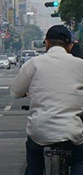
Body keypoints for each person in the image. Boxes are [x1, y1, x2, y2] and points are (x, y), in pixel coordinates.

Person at [10, 25, 83, 175]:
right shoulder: (80, 65)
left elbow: (15, 92)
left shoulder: (33, 64)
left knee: (34, 155)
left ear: (47, 43)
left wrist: (27, 93)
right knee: (79, 159)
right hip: (72, 130)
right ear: (69, 46)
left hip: (39, 131)